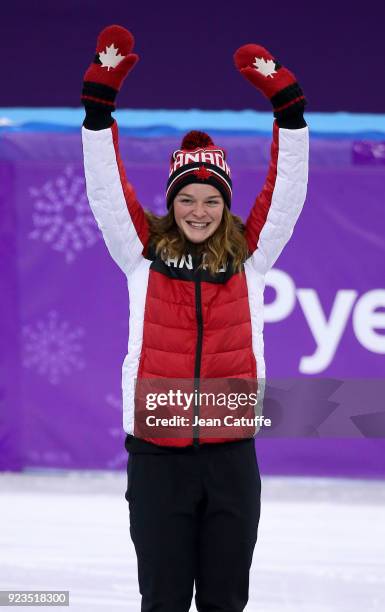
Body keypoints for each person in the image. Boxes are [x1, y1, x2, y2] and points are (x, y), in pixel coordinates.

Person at [81, 25, 309, 612]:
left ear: (226, 205)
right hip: (157, 456)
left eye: (212, 200)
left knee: (226, 601)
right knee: (162, 600)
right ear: (171, 202)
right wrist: (98, 112)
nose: (199, 210)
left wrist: (289, 112)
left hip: (233, 455)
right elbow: (108, 194)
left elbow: (286, 195)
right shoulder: (142, 254)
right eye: (187, 198)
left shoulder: (250, 258)